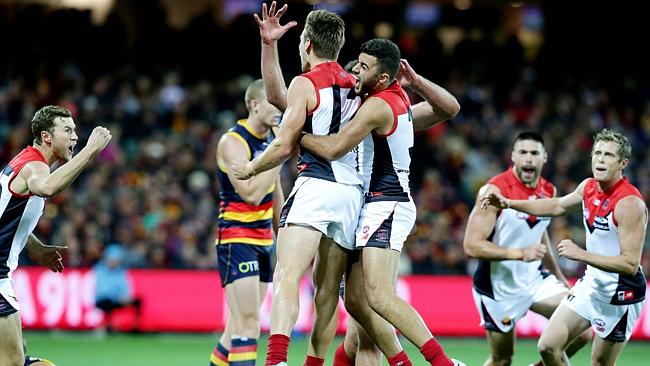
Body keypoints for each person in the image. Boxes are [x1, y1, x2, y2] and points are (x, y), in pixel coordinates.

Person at [299, 38, 462, 366]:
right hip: (370, 207)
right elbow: (449, 108)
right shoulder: (393, 103)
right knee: (358, 305)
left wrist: (293, 136)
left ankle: (442, 363)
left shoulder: (379, 107)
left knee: (378, 298)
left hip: (385, 203)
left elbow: (333, 149)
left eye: (362, 68)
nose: (356, 74)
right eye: (355, 66)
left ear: (383, 78)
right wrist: (416, 84)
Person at [235, 4, 368, 366]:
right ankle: (314, 363)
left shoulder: (306, 84)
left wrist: (250, 168)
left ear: (307, 44)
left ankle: (277, 360)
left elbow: (283, 143)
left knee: (287, 276)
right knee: (326, 292)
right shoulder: (358, 83)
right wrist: (269, 45)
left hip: (317, 185)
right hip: (352, 195)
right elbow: (281, 98)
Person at [481, 129, 647, 366]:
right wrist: (509, 203)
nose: (600, 159)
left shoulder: (629, 203)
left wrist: (581, 254)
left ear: (623, 163)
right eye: (597, 153)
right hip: (592, 284)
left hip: (620, 294)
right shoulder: (588, 187)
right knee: (548, 347)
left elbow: (630, 264)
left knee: (600, 363)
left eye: (609, 155)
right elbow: (557, 206)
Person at [463, 132, 590, 366]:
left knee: (582, 330)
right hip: (498, 287)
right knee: (502, 360)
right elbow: (471, 245)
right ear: (513, 157)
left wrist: (562, 280)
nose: (528, 159)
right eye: (523, 152)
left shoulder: (548, 191)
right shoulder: (494, 191)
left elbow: (539, 235)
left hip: (534, 280)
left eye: (534, 153)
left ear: (544, 158)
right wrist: (520, 254)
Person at [0, 105, 111, 366]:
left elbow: (6, 218)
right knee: (13, 362)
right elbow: (47, 188)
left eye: (75, 131)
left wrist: (35, 247)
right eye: (67, 130)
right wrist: (90, 151)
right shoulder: (34, 167)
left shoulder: (22, 161)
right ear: (47, 137)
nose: (74, 137)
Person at [209, 79, 284, 366]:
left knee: (235, 328)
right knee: (249, 324)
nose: (279, 108)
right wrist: (280, 152)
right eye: (272, 102)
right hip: (237, 238)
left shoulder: (273, 139)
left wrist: (284, 233)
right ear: (254, 104)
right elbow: (251, 193)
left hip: (264, 240)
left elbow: (273, 188)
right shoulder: (233, 142)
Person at [93, 244, 142, 333]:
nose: (115, 262)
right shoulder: (99, 270)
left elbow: (126, 288)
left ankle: (135, 326)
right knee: (107, 302)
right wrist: (117, 297)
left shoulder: (121, 272)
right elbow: (102, 291)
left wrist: (126, 297)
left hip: (118, 300)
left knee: (138, 301)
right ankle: (108, 326)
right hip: (105, 300)